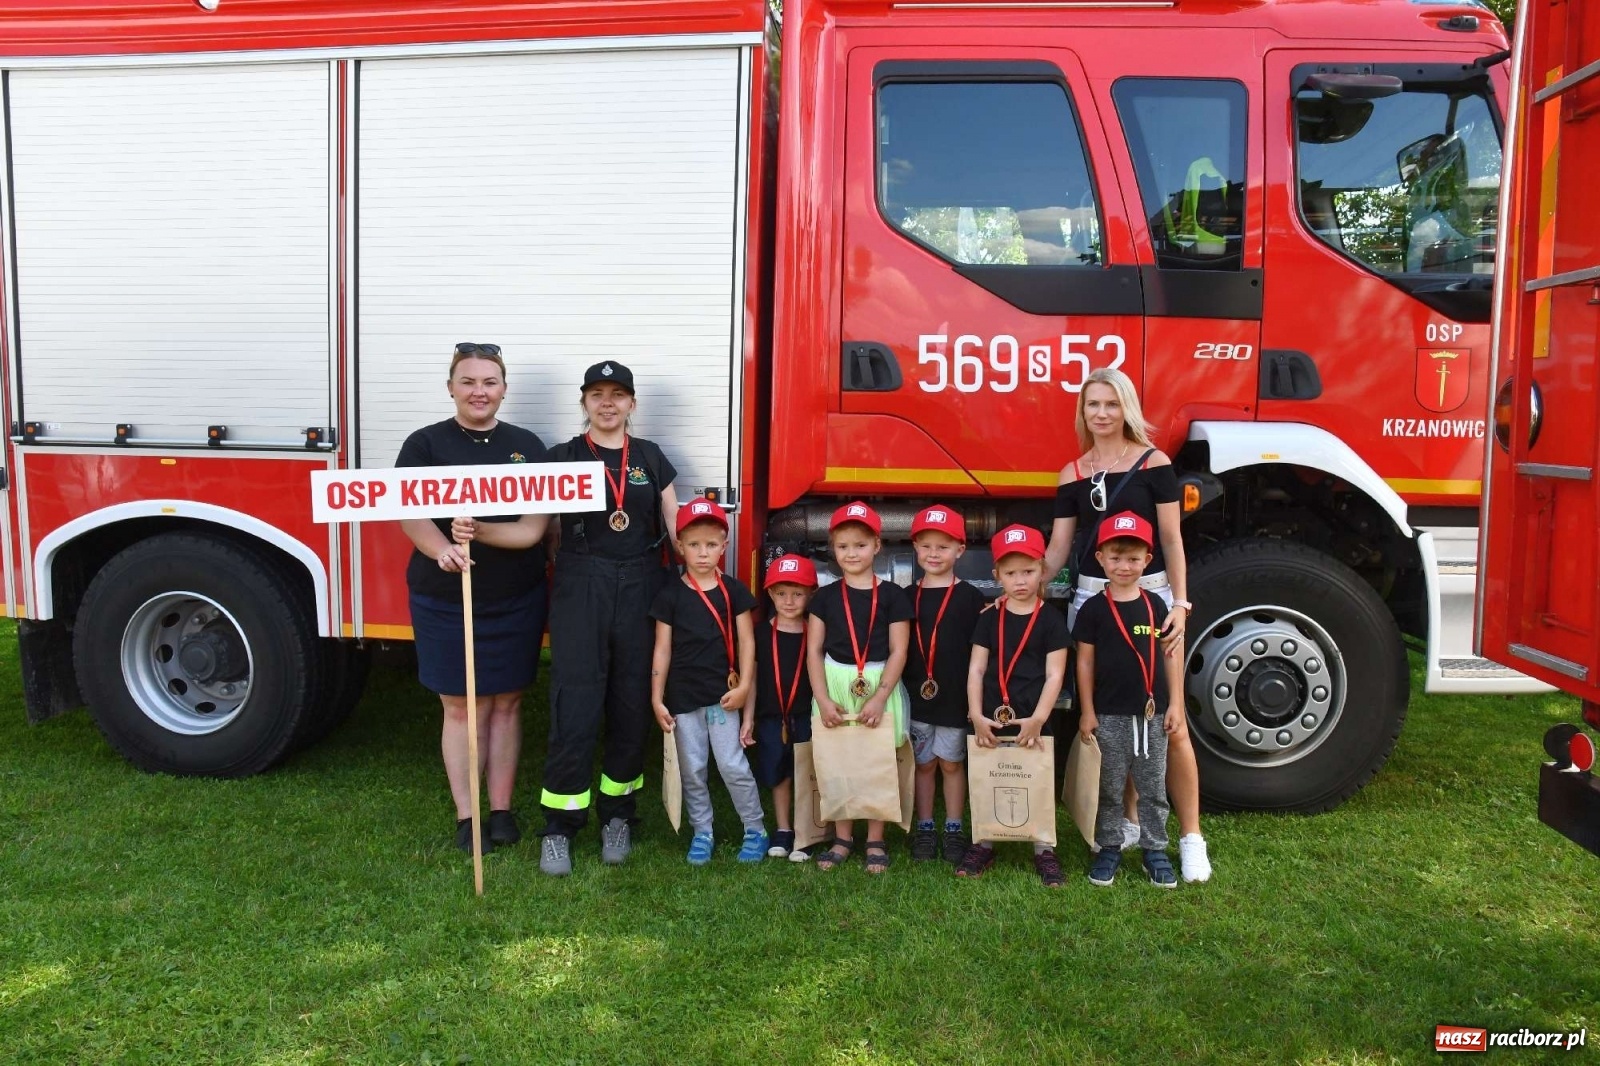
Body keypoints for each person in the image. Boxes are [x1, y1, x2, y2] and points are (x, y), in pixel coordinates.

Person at [1043, 366, 1212, 884]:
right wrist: (1021, 589)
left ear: (1127, 408)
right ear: (1083, 411)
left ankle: (1191, 838)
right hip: (1092, 602)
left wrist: (1180, 603)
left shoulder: (1154, 463)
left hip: (1151, 597)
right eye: (1093, 404)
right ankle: (1131, 822)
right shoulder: (1072, 472)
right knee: (1115, 718)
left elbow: (1172, 539)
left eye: (1111, 403)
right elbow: (1059, 547)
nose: (1102, 413)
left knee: (1169, 720)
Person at [396, 342, 551, 854]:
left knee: (507, 701)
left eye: (489, 382)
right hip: (445, 598)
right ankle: (469, 817)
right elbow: (411, 513)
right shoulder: (424, 444)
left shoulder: (526, 445)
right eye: (468, 382)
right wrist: (442, 548)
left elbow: (532, 529)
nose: (478, 391)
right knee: (461, 706)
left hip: (515, 597)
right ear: (451, 388)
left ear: (503, 389)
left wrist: (479, 530)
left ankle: (501, 811)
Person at [536, 361, 681, 876]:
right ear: (584, 402)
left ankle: (618, 815)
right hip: (582, 584)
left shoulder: (650, 457)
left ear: (631, 403)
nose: (607, 403)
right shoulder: (563, 457)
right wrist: (479, 531)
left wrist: (701, 577)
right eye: (596, 394)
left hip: (641, 584)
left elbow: (674, 524)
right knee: (574, 701)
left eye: (617, 394)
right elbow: (539, 529)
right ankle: (560, 824)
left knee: (630, 700)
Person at [649, 498, 767, 865]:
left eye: (711, 544)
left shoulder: (734, 592)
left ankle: (755, 829)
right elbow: (662, 649)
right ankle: (703, 832)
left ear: (724, 546)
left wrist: (744, 687)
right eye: (694, 544)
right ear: (680, 546)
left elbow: (747, 642)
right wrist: (657, 698)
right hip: (683, 699)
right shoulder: (669, 595)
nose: (703, 553)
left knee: (732, 765)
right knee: (693, 768)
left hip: (723, 698)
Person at [1073, 512, 1187, 888]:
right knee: (1109, 785)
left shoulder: (1156, 606)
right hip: (1108, 714)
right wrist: (1087, 711)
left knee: (1153, 787)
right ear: (1101, 558)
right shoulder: (1093, 609)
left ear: (1147, 561)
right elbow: (1084, 662)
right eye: (1116, 558)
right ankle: (1109, 846)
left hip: (1151, 715)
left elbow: (1169, 655)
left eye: (1133, 558)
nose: (1124, 566)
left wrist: (1175, 704)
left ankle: (1155, 849)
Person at [958, 524, 1071, 887]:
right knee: (989, 775)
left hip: (1034, 717)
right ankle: (984, 842)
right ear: (997, 575)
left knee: (1036, 777)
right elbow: (976, 669)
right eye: (1010, 573)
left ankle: (1044, 848)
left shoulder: (1051, 620)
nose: (1020, 580)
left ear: (1043, 570)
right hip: (991, 717)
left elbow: (1055, 674)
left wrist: (1039, 718)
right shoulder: (989, 618)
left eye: (1028, 571)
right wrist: (976, 714)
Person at [805, 501, 913, 874]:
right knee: (839, 758)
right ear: (833, 550)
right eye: (843, 546)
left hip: (879, 682)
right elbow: (814, 651)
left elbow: (900, 650)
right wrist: (822, 698)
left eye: (860, 545)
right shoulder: (824, 597)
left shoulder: (894, 596)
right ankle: (842, 837)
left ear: (877, 546)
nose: (852, 553)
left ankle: (875, 839)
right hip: (835, 681)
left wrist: (881, 697)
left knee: (876, 758)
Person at [903, 505, 986, 864]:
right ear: (915, 548)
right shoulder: (906, 597)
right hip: (917, 696)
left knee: (951, 764)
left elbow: (981, 652)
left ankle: (953, 826)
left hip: (954, 698)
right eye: (926, 546)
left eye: (943, 546)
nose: (933, 554)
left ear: (960, 550)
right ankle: (925, 826)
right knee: (923, 764)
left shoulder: (972, 598)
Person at [750, 553, 819, 861]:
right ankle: (783, 828)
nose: (789, 601)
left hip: (806, 715)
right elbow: (752, 678)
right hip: (771, 717)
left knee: (806, 772)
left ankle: (806, 831)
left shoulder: (816, 632)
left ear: (811, 594)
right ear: (769, 594)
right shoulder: (760, 633)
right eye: (781, 594)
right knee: (778, 772)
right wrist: (748, 719)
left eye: (797, 594)